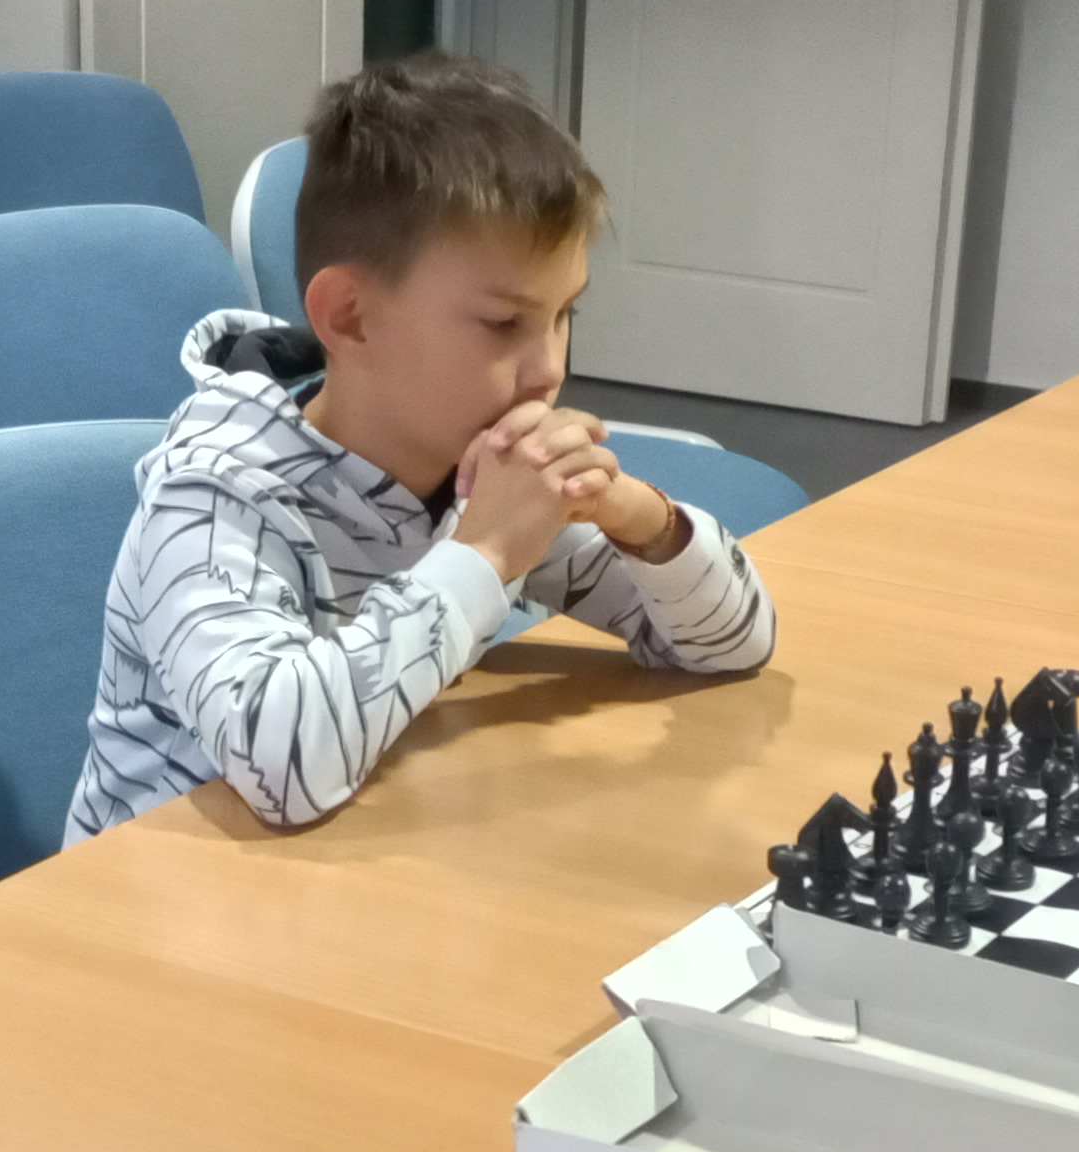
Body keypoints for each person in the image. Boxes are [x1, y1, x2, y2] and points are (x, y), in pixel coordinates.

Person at [63, 54, 776, 839]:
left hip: (350, 862)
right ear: (351, 318)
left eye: (564, 315)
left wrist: (638, 517)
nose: (549, 369)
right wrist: (484, 555)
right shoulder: (215, 492)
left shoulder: (469, 460)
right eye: (503, 324)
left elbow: (729, 645)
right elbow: (280, 768)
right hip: (156, 893)